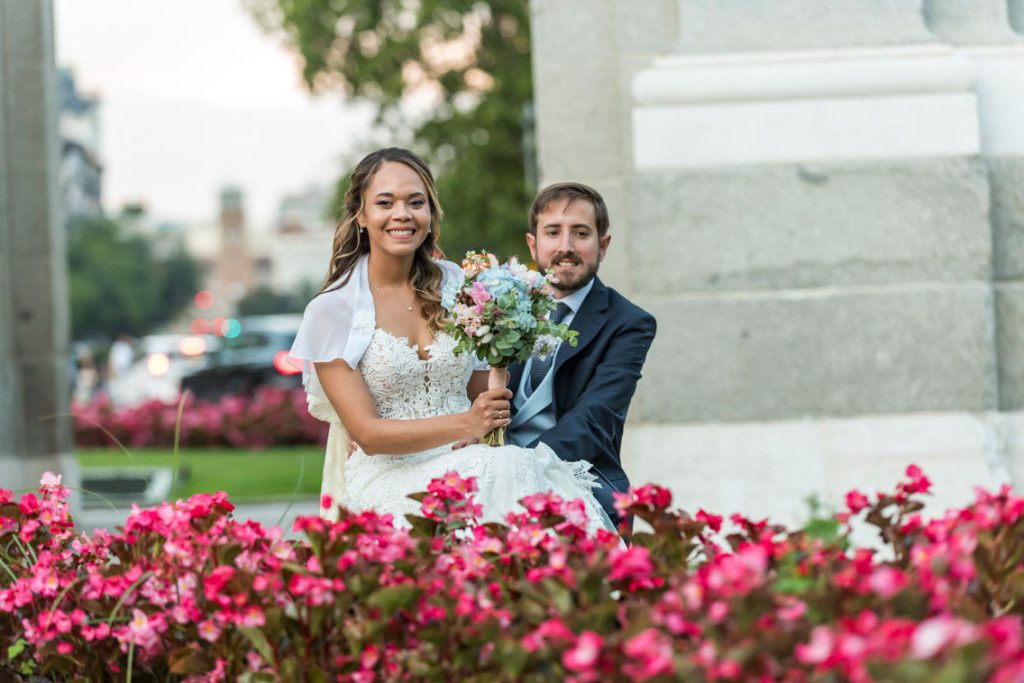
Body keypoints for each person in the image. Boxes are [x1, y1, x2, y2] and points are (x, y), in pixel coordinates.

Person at [288, 148, 613, 533]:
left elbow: (481, 394)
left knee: (517, 471)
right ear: (361, 214)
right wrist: (466, 424)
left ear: (430, 213)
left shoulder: (457, 285)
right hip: (390, 477)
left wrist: (497, 374)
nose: (402, 214)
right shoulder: (332, 311)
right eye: (385, 203)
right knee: (505, 470)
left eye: (415, 202)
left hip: (471, 462)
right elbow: (368, 435)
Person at [505, 183, 657, 531]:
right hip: (492, 467)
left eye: (581, 233)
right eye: (553, 232)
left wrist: (520, 468)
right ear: (533, 244)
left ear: (603, 246)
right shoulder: (500, 307)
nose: (566, 247)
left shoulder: (629, 323)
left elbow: (595, 420)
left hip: (580, 478)